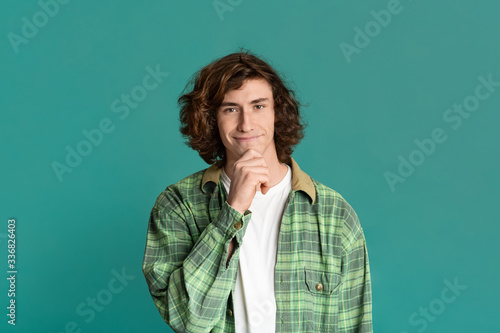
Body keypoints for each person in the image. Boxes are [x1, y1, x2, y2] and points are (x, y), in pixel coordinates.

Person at [142, 50, 373, 333]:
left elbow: (357, 325)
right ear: (212, 119)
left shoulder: (334, 214)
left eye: (258, 106)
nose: (246, 124)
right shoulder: (178, 205)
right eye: (230, 109)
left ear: (278, 113)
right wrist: (233, 211)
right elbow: (189, 320)